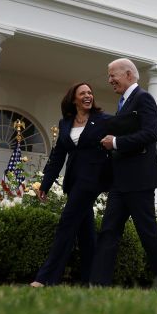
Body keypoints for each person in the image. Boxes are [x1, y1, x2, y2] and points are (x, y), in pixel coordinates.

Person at [90, 58, 157, 287]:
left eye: (113, 75)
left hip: (139, 181)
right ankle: (98, 284)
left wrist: (116, 142)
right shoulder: (122, 103)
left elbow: (151, 134)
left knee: (148, 234)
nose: (110, 80)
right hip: (119, 183)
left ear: (128, 74)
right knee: (109, 231)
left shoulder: (144, 99)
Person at [30, 82, 111, 287]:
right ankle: (92, 279)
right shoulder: (65, 122)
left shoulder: (103, 120)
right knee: (85, 231)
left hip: (92, 180)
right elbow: (58, 156)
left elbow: (120, 138)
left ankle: (45, 277)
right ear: (73, 99)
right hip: (74, 181)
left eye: (90, 93)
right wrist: (45, 184)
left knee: (66, 224)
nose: (88, 96)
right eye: (83, 93)